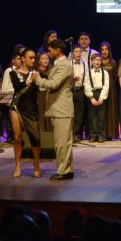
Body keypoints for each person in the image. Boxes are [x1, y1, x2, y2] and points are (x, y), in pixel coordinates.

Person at [34, 39, 75, 180]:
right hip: (59, 108)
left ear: (58, 50)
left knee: (61, 142)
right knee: (63, 141)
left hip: (62, 109)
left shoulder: (63, 65)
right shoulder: (59, 64)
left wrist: (38, 80)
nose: (48, 52)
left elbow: (54, 84)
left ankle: (63, 171)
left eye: (50, 50)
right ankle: (66, 169)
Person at [9, 48, 41, 178]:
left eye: (34, 58)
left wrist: (38, 79)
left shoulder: (36, 73)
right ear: (23, 59)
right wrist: (29, 81)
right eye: (30, 58)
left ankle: (36, 165)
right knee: (17, 137)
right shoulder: (14, 73)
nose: (33, 60)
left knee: (35, 137)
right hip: (16, 107)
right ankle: (17, 165)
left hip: (30, 109)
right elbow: (17, 87)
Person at [84, 52, 110, 143]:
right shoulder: (88, 73)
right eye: (95, 60)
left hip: (101, 94)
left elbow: (106, 85)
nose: (98, 62)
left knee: (101, 116)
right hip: (92, 93)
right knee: (92, 116)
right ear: (91, 61)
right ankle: (93, 135)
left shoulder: (105, 72)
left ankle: (101, 135)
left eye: (99, 60)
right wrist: (91, 97)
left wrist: (102, 97)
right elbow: (86, 85)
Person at [99, 41, 120, 141]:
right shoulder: (98, 62)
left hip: (111, 90)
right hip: (100, 89)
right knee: (102, 112)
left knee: (111, 111)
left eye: (106, 49)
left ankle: (111, 133)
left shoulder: (113, 62)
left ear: (109, 51)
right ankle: (102, 133)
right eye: (102, 49)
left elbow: (115, 77)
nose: (104, 51)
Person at [70, 45, 88, 142]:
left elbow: (87, 77)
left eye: (80, 52)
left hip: (81, 90)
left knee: (80, 113)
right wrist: (71, 79)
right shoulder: (69, 64)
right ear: (72, 53)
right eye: (76, 52)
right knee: (71, 112)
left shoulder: (85, 64)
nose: (78, 54)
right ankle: (71, 133)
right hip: (71, 90)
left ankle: (78, 134)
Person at [36, 51, 52, 132]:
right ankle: (43, 135)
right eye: (43, 58)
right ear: (39, 60)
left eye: (47, 58)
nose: (46, 60)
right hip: (41, 96)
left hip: (50, 95)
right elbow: (39, 85)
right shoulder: (36, 72)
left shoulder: (51, 71)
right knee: (42, 115)